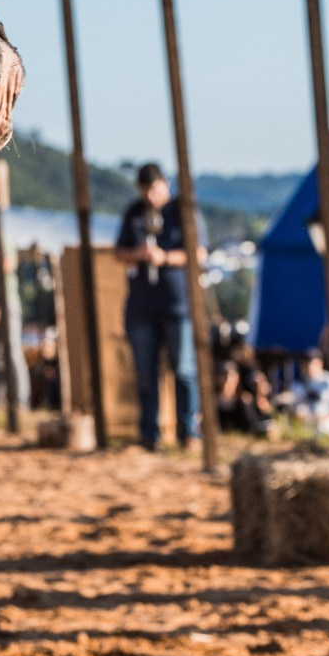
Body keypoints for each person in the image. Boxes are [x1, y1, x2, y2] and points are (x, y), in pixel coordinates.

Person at [114, 163, 199, 450]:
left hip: (178, 306)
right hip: (141, 306)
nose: (150, 195)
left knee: (184, 371)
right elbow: (118, 251)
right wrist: (137, 255)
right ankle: (149, 435)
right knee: (145, 375)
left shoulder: (182, 211)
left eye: (154, 189)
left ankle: (189, 433)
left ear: (166, 184)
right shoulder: (134, 212)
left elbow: (198, 252)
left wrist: (165, 258)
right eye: (145, 190)